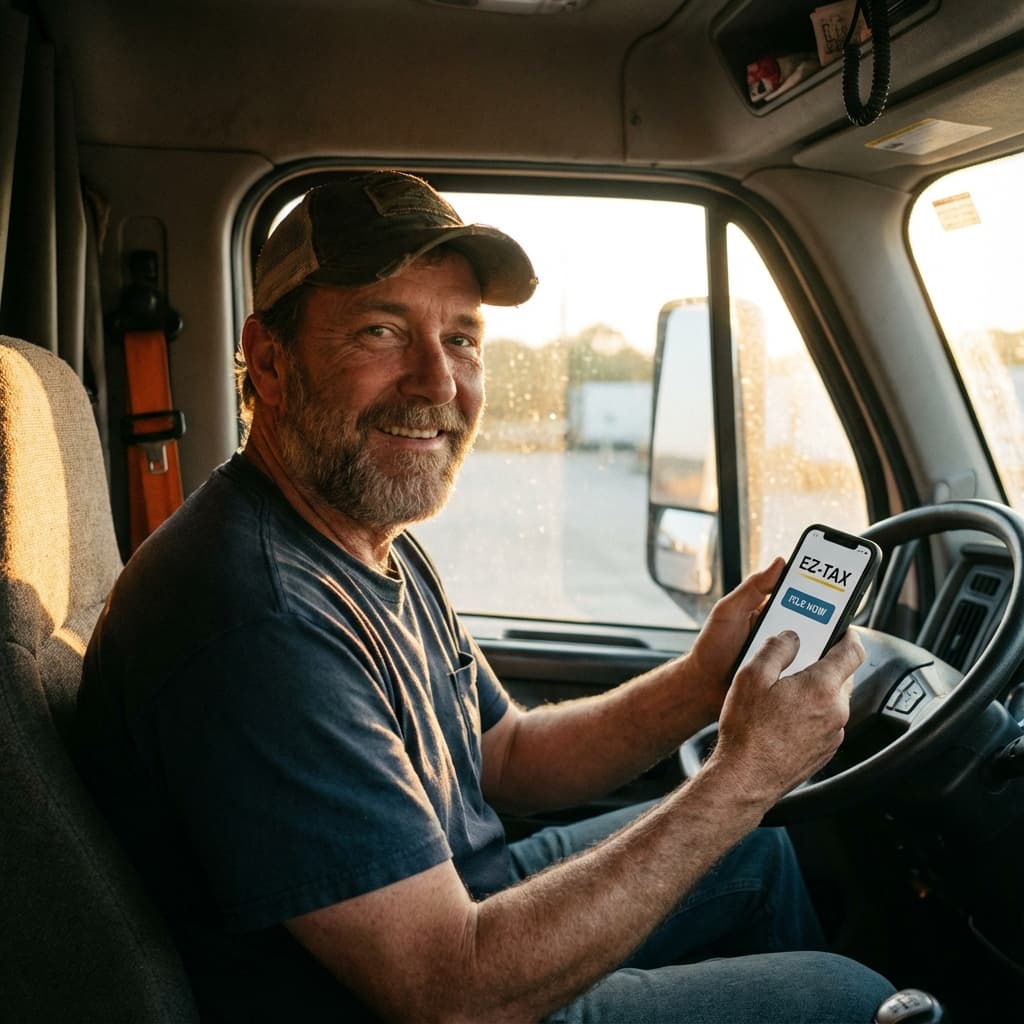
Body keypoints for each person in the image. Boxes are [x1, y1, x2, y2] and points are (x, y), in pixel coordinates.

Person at [74, 170, 894, 1023]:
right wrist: (743, 776)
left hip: (463, 911)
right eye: (381, 330)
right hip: (440, 989)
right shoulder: (256, 620)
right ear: (271, 363)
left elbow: (505, 757)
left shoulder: (361, 537)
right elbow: (450, 993)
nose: (436, 383)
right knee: (855, 999)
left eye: (461, 338)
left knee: (757, 855)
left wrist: (702, 681)